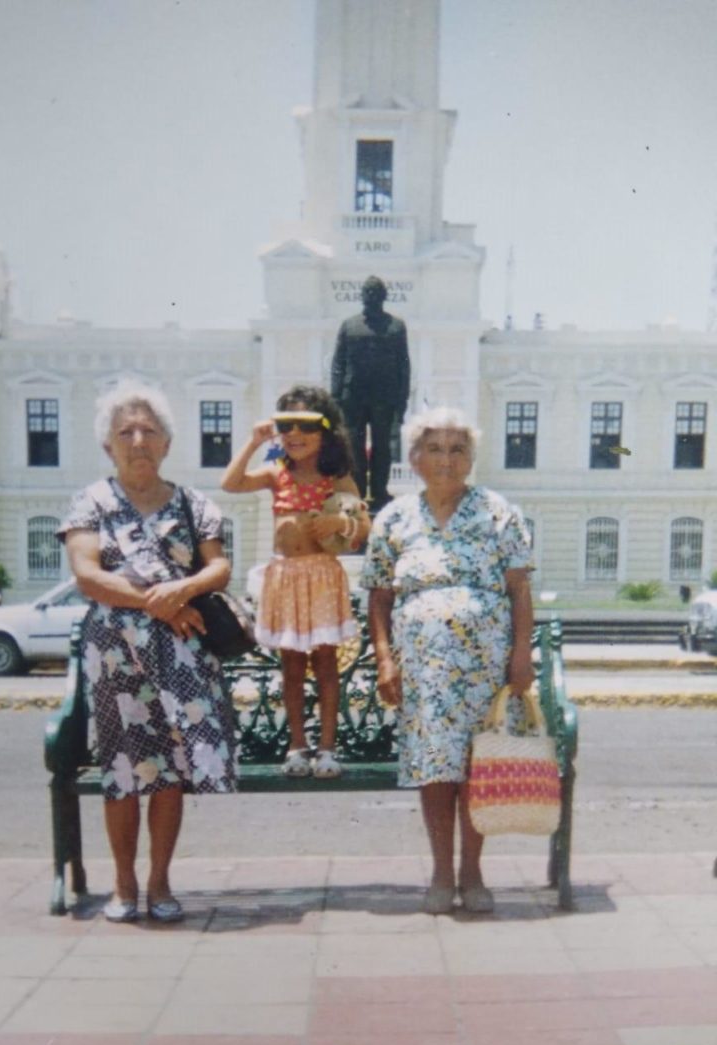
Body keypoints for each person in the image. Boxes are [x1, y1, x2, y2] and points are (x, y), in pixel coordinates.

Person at [58, 380, 235, 923]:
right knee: (123, 772)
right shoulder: (91, 502)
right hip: (116, 657)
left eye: (149, 431)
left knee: (169, 774)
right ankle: (123, 884)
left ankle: (159, 882)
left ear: (166, 443)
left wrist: (184, 590)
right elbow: (89, 576)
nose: (138, 440)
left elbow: (218, 567)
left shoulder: (193, 504)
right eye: (126, 432)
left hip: (181, 657)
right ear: (108, 444)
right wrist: (161, 603)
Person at [361, 407, 534, 914]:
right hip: (424, 670)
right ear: (414, 458)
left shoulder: (498, 512)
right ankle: (441, 872)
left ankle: (473, 872)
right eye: (434, 449)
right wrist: (385, 659)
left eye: (458, 450)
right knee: (436, 769)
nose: (446, 460)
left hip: (485, 666)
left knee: (479, 767)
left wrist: (521, 655)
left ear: (471, 459)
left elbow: (519, 591)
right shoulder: (394, 518)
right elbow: (379, 597)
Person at [221, 384, 370, 778]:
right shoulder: (277, 473)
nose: (294, 434)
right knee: (291, 664)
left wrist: (338, 522)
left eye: (305, 425)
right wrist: (254, 442)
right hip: (285, 577)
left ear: (326, 429)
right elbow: (231, 484)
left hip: (321, 576)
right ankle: (297, 746)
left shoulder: (336, 477)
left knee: (325, 663)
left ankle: (327, 748)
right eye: (286, 425)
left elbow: (363, 526)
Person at [330, 275, 410, 512]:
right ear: (362, 296)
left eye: (376, 292)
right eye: (368, 292)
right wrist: (335, 398)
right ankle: (357, 491)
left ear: (384, 296)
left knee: (382, 446)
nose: (372, 296)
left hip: (384, 397)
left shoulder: (396, 327)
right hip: (352, 397)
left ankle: (379, 491)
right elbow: (338, 364)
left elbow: (404, 366)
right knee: (354, 447)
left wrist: (402, 400)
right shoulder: (349, 325)